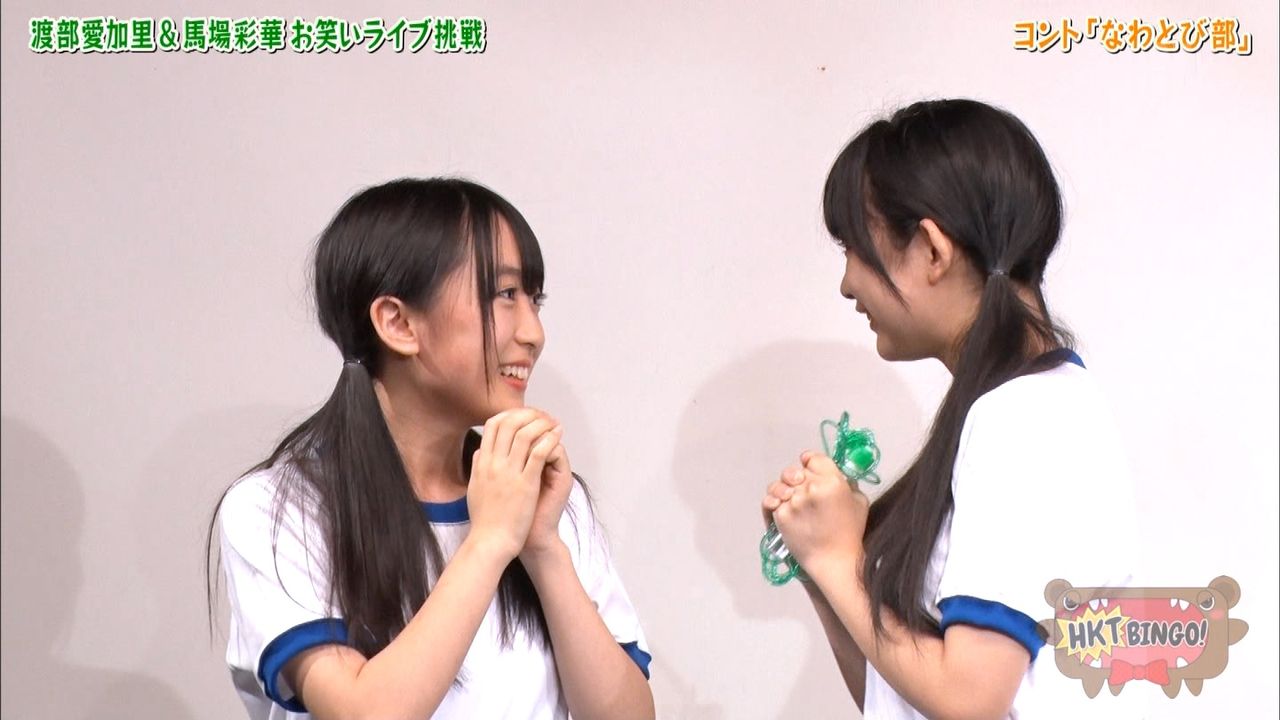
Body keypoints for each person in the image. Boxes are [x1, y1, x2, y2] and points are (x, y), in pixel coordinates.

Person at [207, 177, 654, 720]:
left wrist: (542, 548)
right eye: (504, 295)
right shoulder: (279, 507)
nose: (533, 332)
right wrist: (490, 540)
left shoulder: (543, 500)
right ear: (398, 323)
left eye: (534, 299)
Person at [762, 99, 1141, 719]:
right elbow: (903, 698)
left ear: (932, 250)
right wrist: (821, 564)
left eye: (854, 247)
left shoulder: (1021, 419)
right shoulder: (1034, 404)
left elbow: (969, 700)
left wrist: (837, 557)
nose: (847, 283)